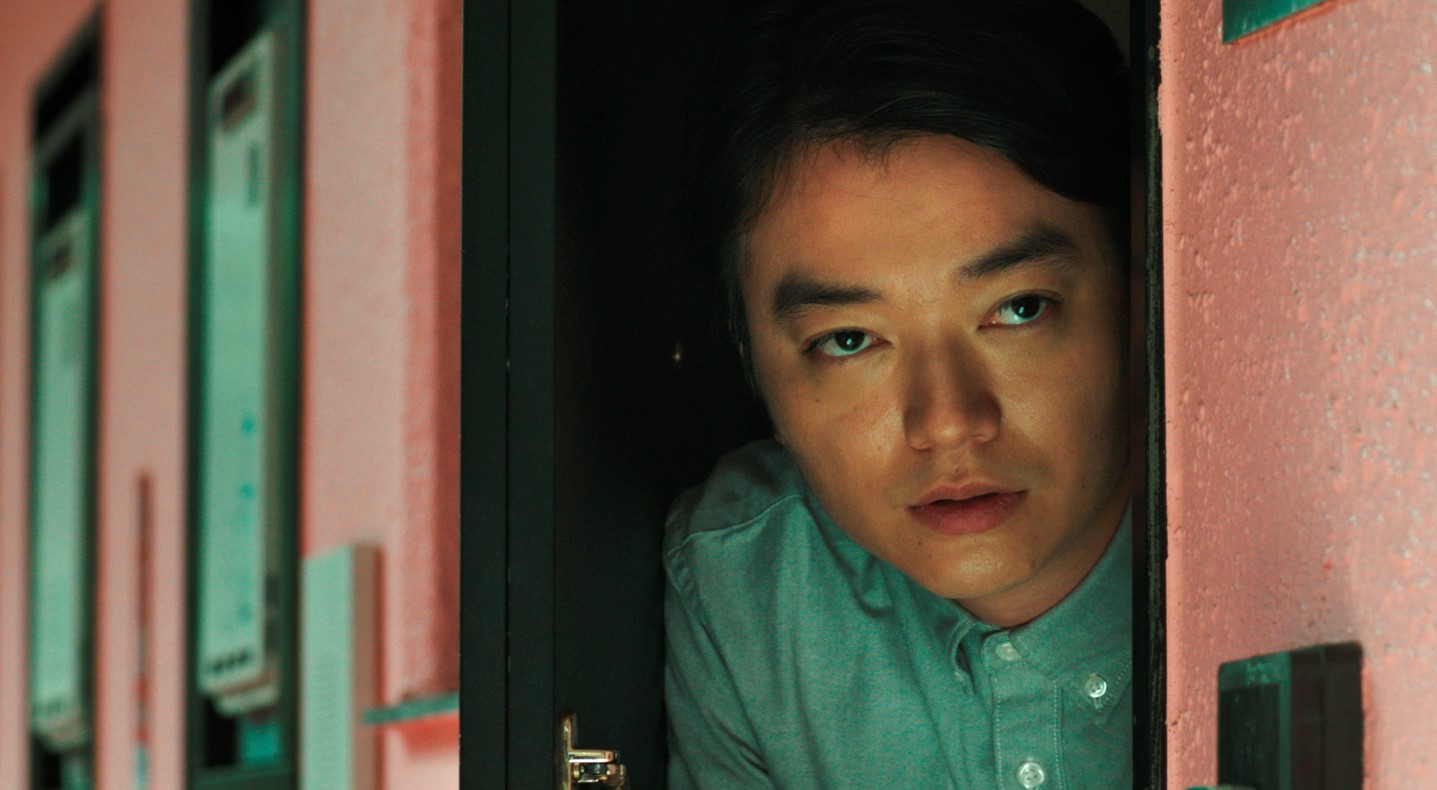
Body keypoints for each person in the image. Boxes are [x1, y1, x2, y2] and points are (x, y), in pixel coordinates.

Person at [664, 0, 1136, 787]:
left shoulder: (1290, 548)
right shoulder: (750, 585)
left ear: (1143, 286)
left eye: (1018, 308)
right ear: (750, 361)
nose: (948, 423)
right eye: (849, 341)